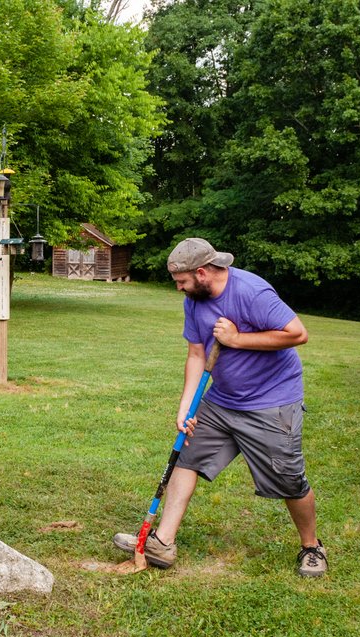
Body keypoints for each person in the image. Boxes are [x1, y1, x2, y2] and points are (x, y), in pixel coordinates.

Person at [113, 238, 327, 577]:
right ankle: (163, 542)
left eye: (181, 282)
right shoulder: (194, 302)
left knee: (288, 479)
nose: (179, 289)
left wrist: (238, 340)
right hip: (222, 399)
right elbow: (197, 354)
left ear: (201, 272)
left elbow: (298, 333)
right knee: (188, 456)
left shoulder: (251, 292)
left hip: (271, 401)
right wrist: (186, 406)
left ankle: (312, 546)